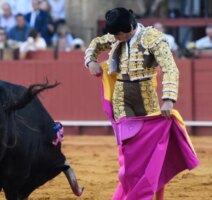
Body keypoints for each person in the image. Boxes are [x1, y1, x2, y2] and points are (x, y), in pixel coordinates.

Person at [84, 7, 199, 200]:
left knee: (154, 152)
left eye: (119, 34)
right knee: (128, 152)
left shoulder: (153, 38)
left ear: (130, 27)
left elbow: (170, 68)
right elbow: (95, 44)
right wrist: (90, 61)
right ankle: (132, 190)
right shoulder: (116, 35)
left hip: (147, 97)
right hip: (122, 96)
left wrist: (168, 100)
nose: (116, 38)